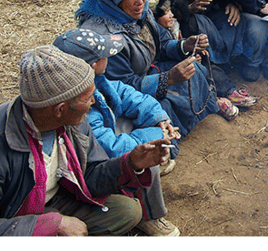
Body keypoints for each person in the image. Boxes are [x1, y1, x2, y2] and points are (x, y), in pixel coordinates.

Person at [0, 46, 169, 236]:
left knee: (126, 211)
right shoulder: (5, 140)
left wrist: (130, 163)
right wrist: (50, 225)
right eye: (87, 98)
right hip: (17, 217)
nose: (93, 103)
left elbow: (90, 175)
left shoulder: (72, 122)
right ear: (60, 109)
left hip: (58, 197)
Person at [76, 0, 235, 129]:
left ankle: (206, 107)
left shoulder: (141, 13)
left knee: (196, 71)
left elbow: (161, 44)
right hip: (128, 92)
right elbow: (121, 88)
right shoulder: (105, 38)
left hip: (148, 71)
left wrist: (184, 45)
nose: (140, 1)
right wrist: (169, 78)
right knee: (164, 106)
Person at [52, 28, 181, 236]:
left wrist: (158, 118)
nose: (109, 56)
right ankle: (150, 216)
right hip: (93, 170)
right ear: (92, 65)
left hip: (104, 150)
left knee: (133, 127)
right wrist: (156, 137)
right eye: (104, 54)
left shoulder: (98, 83)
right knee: (142, 155)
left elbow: (127, 94)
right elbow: (110, 150)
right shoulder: (80, 112)